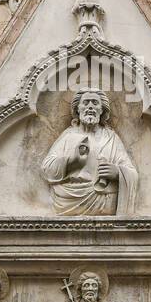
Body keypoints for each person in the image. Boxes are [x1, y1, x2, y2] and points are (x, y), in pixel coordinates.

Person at [40, 88, 138, 216]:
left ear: (102, 110)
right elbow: (47, 168)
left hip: (103, 200)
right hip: (68, 200)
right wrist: (72, 161)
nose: (90, 106)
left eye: (95, 103)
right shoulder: (68, 136)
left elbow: (132, 172)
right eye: (86, 103)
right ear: (77, 109)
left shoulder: (111, 138)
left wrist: (117, 173)